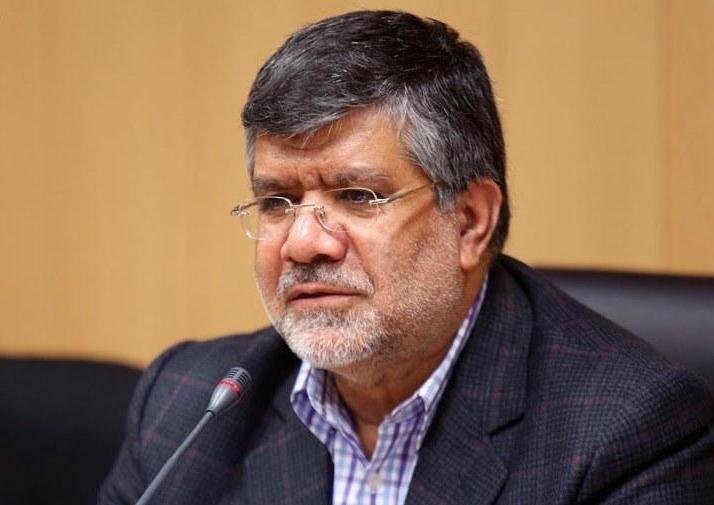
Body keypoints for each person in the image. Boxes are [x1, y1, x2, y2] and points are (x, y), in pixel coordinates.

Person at [100, 10, 714, 504]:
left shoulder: (626, 432)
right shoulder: (188, 405)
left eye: (357, 196)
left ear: (470, 220)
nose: (303, 243)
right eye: (276, 202)